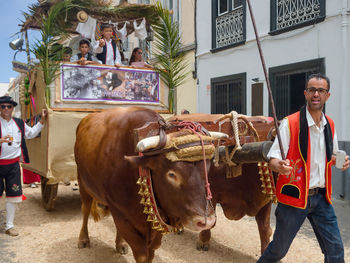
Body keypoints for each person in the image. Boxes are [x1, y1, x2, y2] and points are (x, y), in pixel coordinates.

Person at [258, 73, 350, 263]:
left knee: (336, 251)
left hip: (322, 198)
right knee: (278, 250)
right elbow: (272, 159)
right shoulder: (290, 124)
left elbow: (329, 155)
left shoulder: (329, 124)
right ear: (305, 93)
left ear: (327, 95)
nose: (316, 94)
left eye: (321, 90)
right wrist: (279, 166)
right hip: (294, 199)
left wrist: (339, 161)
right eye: (312, 90)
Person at [0, 96, 47, 236]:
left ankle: (9, 226)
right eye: (3, 107)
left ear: (13, 108)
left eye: (9, 106)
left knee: (13, 196)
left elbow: (31, 133)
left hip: (13, 166)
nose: (6, 109)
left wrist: (42, 121)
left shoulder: (19, 123)